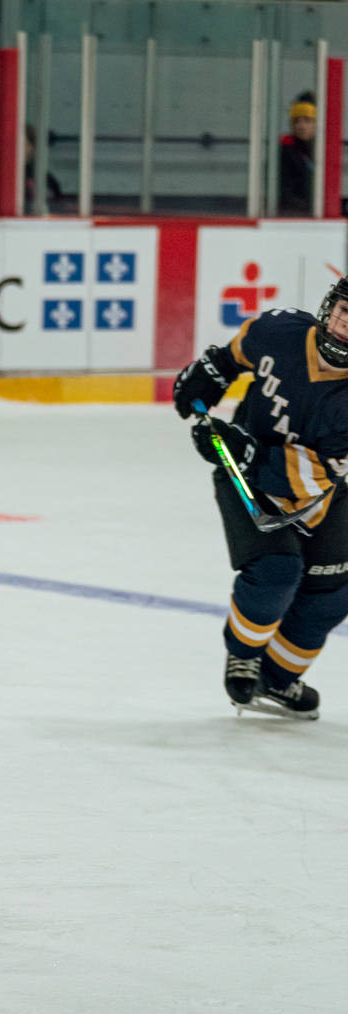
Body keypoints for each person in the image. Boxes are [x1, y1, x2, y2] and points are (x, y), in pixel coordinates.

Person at [171, 287, 348, 719]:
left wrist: (245, 450)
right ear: (330, 308)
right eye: (346, 310)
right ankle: (245, 653)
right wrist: (213, 369)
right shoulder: (281, 329)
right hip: (246, 477)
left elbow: (321, 473)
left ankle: (279, 679)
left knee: (331, 595)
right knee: (276, 571)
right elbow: (239, 350)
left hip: (322, 488)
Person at [0, 126, 61, 213]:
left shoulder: (44, 178)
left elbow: (54, 207)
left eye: (22, 144)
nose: (15, 148)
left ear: (32, 148)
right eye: (11, 144)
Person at [279, 94, 317, 216]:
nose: (301, 126)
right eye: (296, 121)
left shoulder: (322, 150)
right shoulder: (287, 151)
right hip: (296, 214)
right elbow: (285, 194)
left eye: (307, 120)